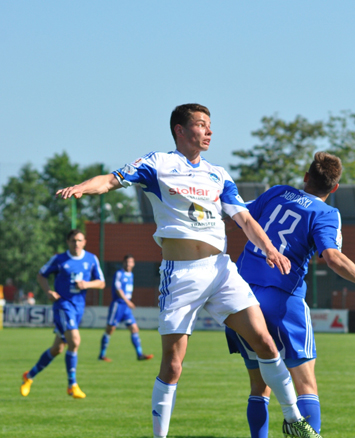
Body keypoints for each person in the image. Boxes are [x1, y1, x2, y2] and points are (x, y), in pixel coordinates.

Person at [55, 103, 321, 438]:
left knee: (265, 342)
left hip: (221, 271)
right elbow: (110, 180)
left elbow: (244, 219)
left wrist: (270, 250)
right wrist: (82, 187)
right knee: (173, 364)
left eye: (210, 125)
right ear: (180, 130)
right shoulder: (158, 164)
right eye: (201, 124)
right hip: (181, 275)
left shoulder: (219, 174)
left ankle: (294, 420)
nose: (209, 131)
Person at [225, 151, 355, 437]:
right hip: (282, 300)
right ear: (335, 188)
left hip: (240, 296)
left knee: (259, 385)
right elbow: (332, 257)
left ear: (306, 177)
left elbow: (237, 217)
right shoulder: (326, 213)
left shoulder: (277, 192)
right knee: (305, 382)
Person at [20, 229, 105, 399]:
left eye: (79, 240)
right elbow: (41, 275)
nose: (76, 243)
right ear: (68, 242)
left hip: (78, 308)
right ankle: (72, 384)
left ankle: (28, 377)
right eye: (73, 240)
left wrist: (86, 285)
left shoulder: (91, 259)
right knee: (75, 341)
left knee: (57, 348)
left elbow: (101, 283)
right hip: (63, 306)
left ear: (85, 242)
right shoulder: (59, 259)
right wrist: (48, 292)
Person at [98, 254, 154, 362]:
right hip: (118, 305)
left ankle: (139, 354)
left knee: (134, 329)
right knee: (110, 330)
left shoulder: (131, 274)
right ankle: (102, 355)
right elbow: (118, 290)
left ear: (133, 264)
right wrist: (128, 301)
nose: (128, 264)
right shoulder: (119, 273)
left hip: (126, 308)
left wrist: (127, 303)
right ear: (123, 263)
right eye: (126, 262)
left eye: (130, 262)